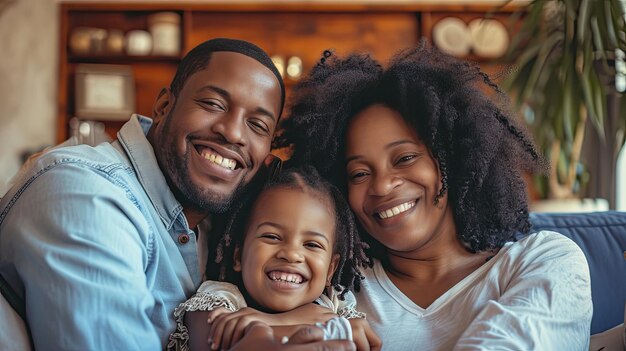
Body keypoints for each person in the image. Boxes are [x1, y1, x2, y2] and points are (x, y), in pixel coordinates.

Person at [0, 38, 354, 350]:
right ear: (164, 107)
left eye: (258, 125)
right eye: (213, 103)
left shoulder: (221, 220)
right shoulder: (88, 197)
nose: (232, 133)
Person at [276, 43, 593, 349]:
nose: (383, 186)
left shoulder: (542, 260)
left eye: (405, 158)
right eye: (359, 173)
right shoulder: (332, 285)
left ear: (453, 158)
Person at [168, 166, 380, 351]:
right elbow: (216, 342)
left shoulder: (336, 304)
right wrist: (305, 320)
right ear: (238, 256)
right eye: (272, 236)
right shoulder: (220, 299)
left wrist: (266, 321)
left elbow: (362, 339)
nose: (291, 254)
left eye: (312, 244)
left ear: (330, 270)